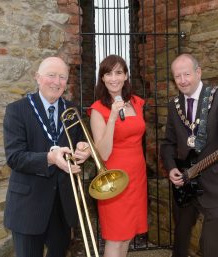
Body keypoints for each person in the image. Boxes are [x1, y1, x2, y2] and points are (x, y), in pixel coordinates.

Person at [3, 57, 90, 257]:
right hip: (28, 206)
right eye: (51, 75)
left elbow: (81, 142)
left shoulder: (71, 110)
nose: (56, 82)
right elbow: (15, 157)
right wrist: (50, 158)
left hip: (62, 205)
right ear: (38, 78)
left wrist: (83, 149)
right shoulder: (17, 110)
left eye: (62, 77)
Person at [160, 53, 218, 257]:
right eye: (177, 76)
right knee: (180, 239)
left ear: (199, 72)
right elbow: (168, 143)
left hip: (216, 180)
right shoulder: (174, 105)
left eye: (187, 74)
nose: (182, 80)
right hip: (185, 182)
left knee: (212, 246)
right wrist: (171, 168)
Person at [88, 55, 147, 257]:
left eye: (119, 72)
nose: (114, 78)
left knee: (128, 236)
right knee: (115, 237)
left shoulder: (137, 103)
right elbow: (103, 153)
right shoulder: (97, 110)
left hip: (137, 177)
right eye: (108, 73)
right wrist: (112, 117)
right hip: (114, 179)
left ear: (126, 76)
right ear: (102, 78)